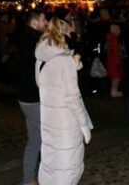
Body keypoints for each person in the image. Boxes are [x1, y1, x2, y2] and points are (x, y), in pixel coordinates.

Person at [35, 17, 92, 185]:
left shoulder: (42, 57)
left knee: (52, 163)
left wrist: (73, 65)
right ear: (65, 34)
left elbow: (42, 82)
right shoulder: (64, 60)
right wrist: (84, 125)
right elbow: (72, 97)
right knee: (67, 166)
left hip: (49, 120)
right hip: (66, 122)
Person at [18, 10, 47, 185]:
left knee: (35, 140)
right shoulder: (34, 41)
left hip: (25, 97)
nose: (46, 22)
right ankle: (40, 178)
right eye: (43, 19)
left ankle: (29, 179)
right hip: (33, 98)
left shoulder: (26, 38)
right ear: (34, 22)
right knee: (44, 139)